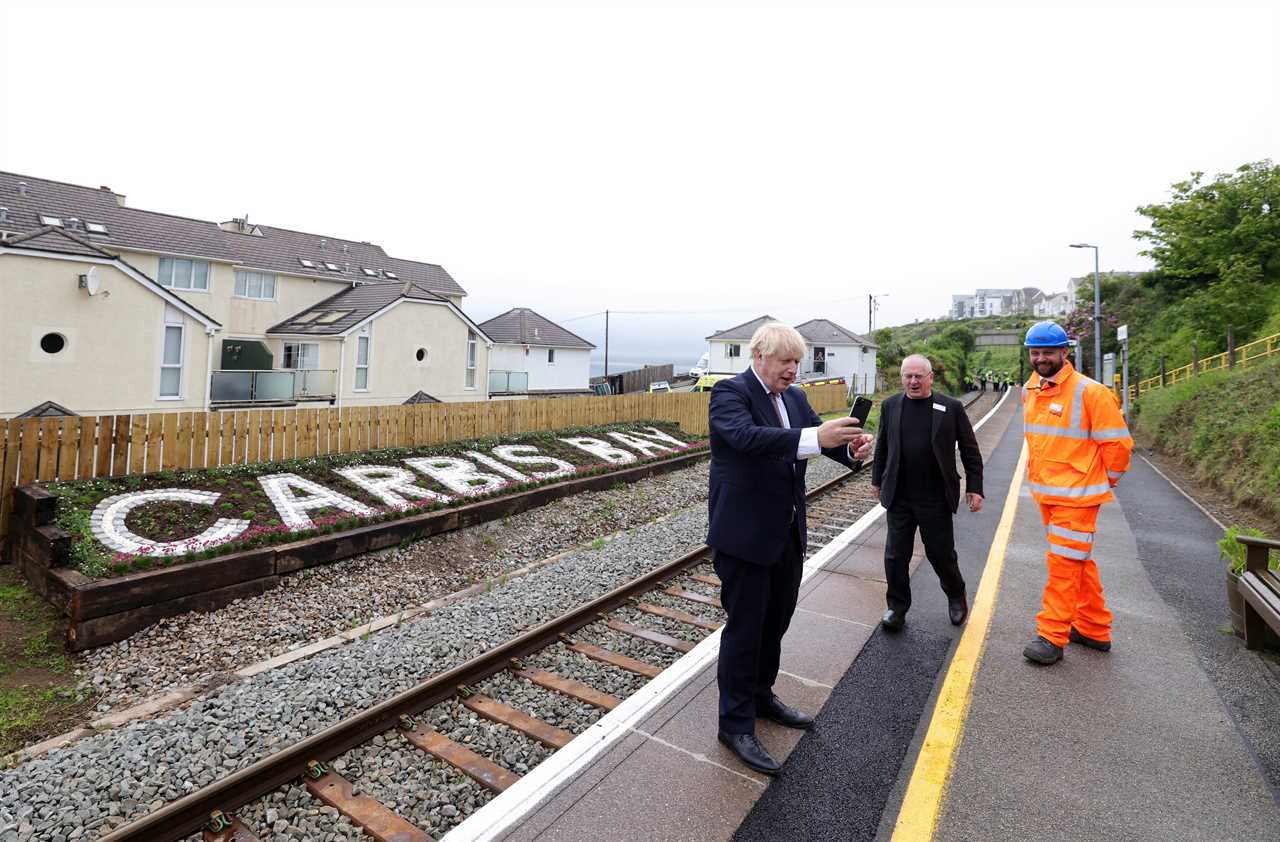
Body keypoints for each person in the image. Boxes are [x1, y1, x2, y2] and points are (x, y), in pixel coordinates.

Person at [707, 322, 874, 775]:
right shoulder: (729, 394)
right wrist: (815, 439)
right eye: (785, 362)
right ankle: (735, 723)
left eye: (797, 362)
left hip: (786, 533)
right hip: (744, 536)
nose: (793, 370)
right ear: (760, 355)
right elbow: (746, 439)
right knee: (745, 629)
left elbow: (820, 440)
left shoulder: (797, 399)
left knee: (776, 621)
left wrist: (853, 450)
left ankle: (761, 696)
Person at [1020, 321, 1133, 666]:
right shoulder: (1032, 389)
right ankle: (1094, 629)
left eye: (1048, 352)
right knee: (1078, 562)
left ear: (1064, 353)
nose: (1041, 359)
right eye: (1035, 352)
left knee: (1064, 565)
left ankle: (1052, 636)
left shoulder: (1091, 393)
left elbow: (1119, 447)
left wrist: (1103, 482)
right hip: (1048, 495)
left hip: (1078, 499)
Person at [871, 354, 984, 632]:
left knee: (940, 553)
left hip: (935, 497)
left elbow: (970, 450)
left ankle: (956, 594)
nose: (912, 381)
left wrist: (975, 487)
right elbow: (883, 447)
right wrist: (877, 481)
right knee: (895, 556)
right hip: (899, 495)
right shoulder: (890, 406)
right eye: (907, 376)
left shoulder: (951, 407)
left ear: (930, 377)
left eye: (918, 376)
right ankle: (897, 607)